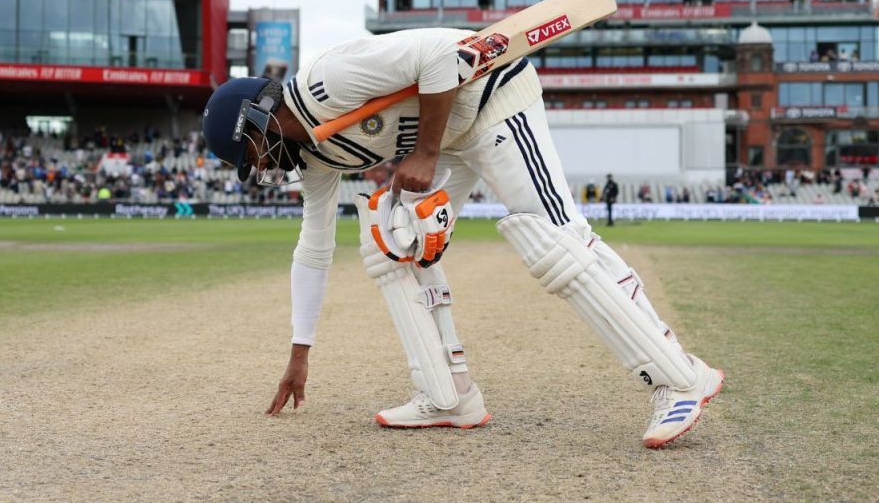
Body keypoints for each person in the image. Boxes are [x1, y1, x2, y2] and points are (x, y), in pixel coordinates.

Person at [201, 28, 723, 449]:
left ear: (259, 117)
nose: (262, 166)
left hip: (492, 97)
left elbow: (440, 56)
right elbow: (313, 251)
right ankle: (449, 394)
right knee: (397, 241)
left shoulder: (328, 79)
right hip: (448, 132)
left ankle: (678, 377)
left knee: (554, 239)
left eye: (252, 153)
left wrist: (424, 152)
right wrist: (300, 353)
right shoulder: (314, 158)